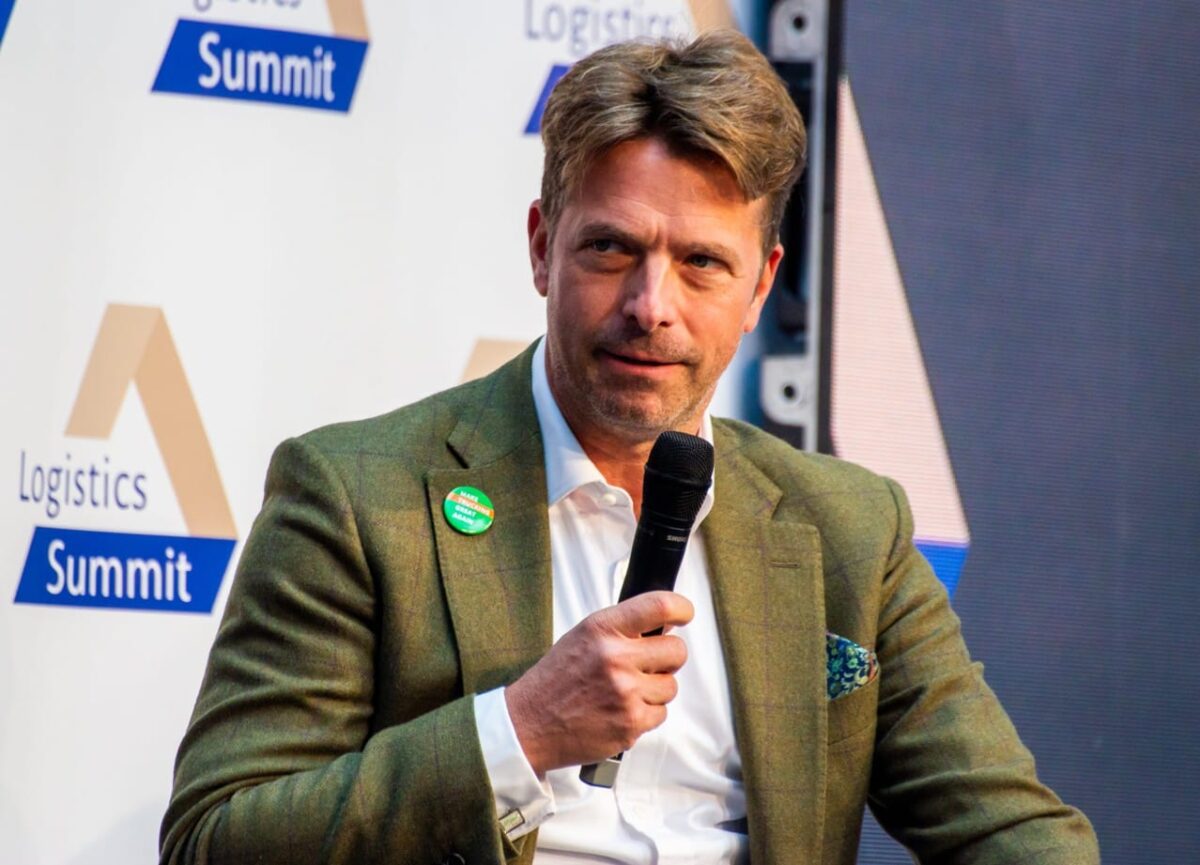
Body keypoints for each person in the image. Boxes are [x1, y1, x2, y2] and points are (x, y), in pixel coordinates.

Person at [160, 31, 1099, 865]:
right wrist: (519, 728)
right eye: (611, 250)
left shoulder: (850, 528)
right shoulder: (358, 494)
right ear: (542, 248)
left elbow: (1014, 834)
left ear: (760, 286)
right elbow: (216, 838)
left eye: (702, 263)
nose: (652, 306)